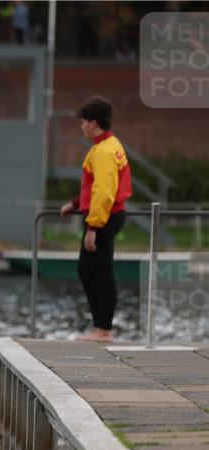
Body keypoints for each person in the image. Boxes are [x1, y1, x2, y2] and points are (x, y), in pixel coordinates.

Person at [60, 96, 132, 343]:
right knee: (86, 269)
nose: (81, 127)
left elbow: (104, 191)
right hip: (107, 214)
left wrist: (93, 227)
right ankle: (99, 327)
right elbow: (98, 187)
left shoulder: (102, 151)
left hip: (104, 217)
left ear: (93, 123)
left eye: (83, 122)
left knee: (101, 271)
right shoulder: (111, 145)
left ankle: (103, 330)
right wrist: (76, 204)